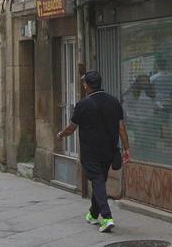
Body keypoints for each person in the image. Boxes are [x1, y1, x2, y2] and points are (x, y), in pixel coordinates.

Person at [56, 70, 130, 233]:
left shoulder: (83, 105)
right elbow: (121, 128)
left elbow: (72, 128)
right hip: (109, 150)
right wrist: (127, 148)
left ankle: (107, 217)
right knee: (100, 182)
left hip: (91, 152)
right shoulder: (113, 101)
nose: (83, 86)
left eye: (84, 84)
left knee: (97, 181)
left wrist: (61, 134)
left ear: (87, 86)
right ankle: (93, 213)